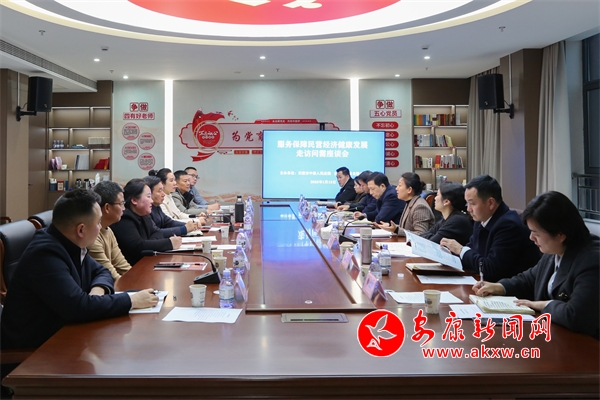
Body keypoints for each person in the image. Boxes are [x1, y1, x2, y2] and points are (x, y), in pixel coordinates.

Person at [0, 189, 158, 350]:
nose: (100, 227)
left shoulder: (69, 242)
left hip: (64, 332)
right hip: (34, 350)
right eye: (98, 222)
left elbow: (102, 272)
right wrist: (131, 301)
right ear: (81, 229)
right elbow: (78, 308)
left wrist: (96, 294)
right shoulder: (45, 255)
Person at [473, 191, 599, 339]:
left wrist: (542, 305)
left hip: (584, 345)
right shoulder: (554, 251)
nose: (531, 238)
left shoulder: (592, 260)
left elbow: (576, 315)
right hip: (552, 335)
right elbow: (529, 279)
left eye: (536, 233)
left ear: (560, 234)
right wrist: (499, 287)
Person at [440, 174, 541, 282]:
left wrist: (461, 250)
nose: (468, 209)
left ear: (490, 203)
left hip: (509, 288)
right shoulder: (482, 219)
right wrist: (450, 256)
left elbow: (491, 270)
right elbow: (472, 251)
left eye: (472, 203)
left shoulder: (508, 225)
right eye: (467, 203)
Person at [111, 178, 182, 265]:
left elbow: (157, 232)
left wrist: (149, 242)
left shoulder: (144, 215)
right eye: (148, 196)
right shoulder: (124, 218)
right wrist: (169, 243)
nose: (151, 201)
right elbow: (138, 246)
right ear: (134, 200)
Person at [88, 181, 132, 281]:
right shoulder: (91, 236)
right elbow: (111, 276)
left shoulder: (108, 229)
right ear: (107, 208)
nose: (124, 208)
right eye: (121, 204)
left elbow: (122, 266)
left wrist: (139, 281)